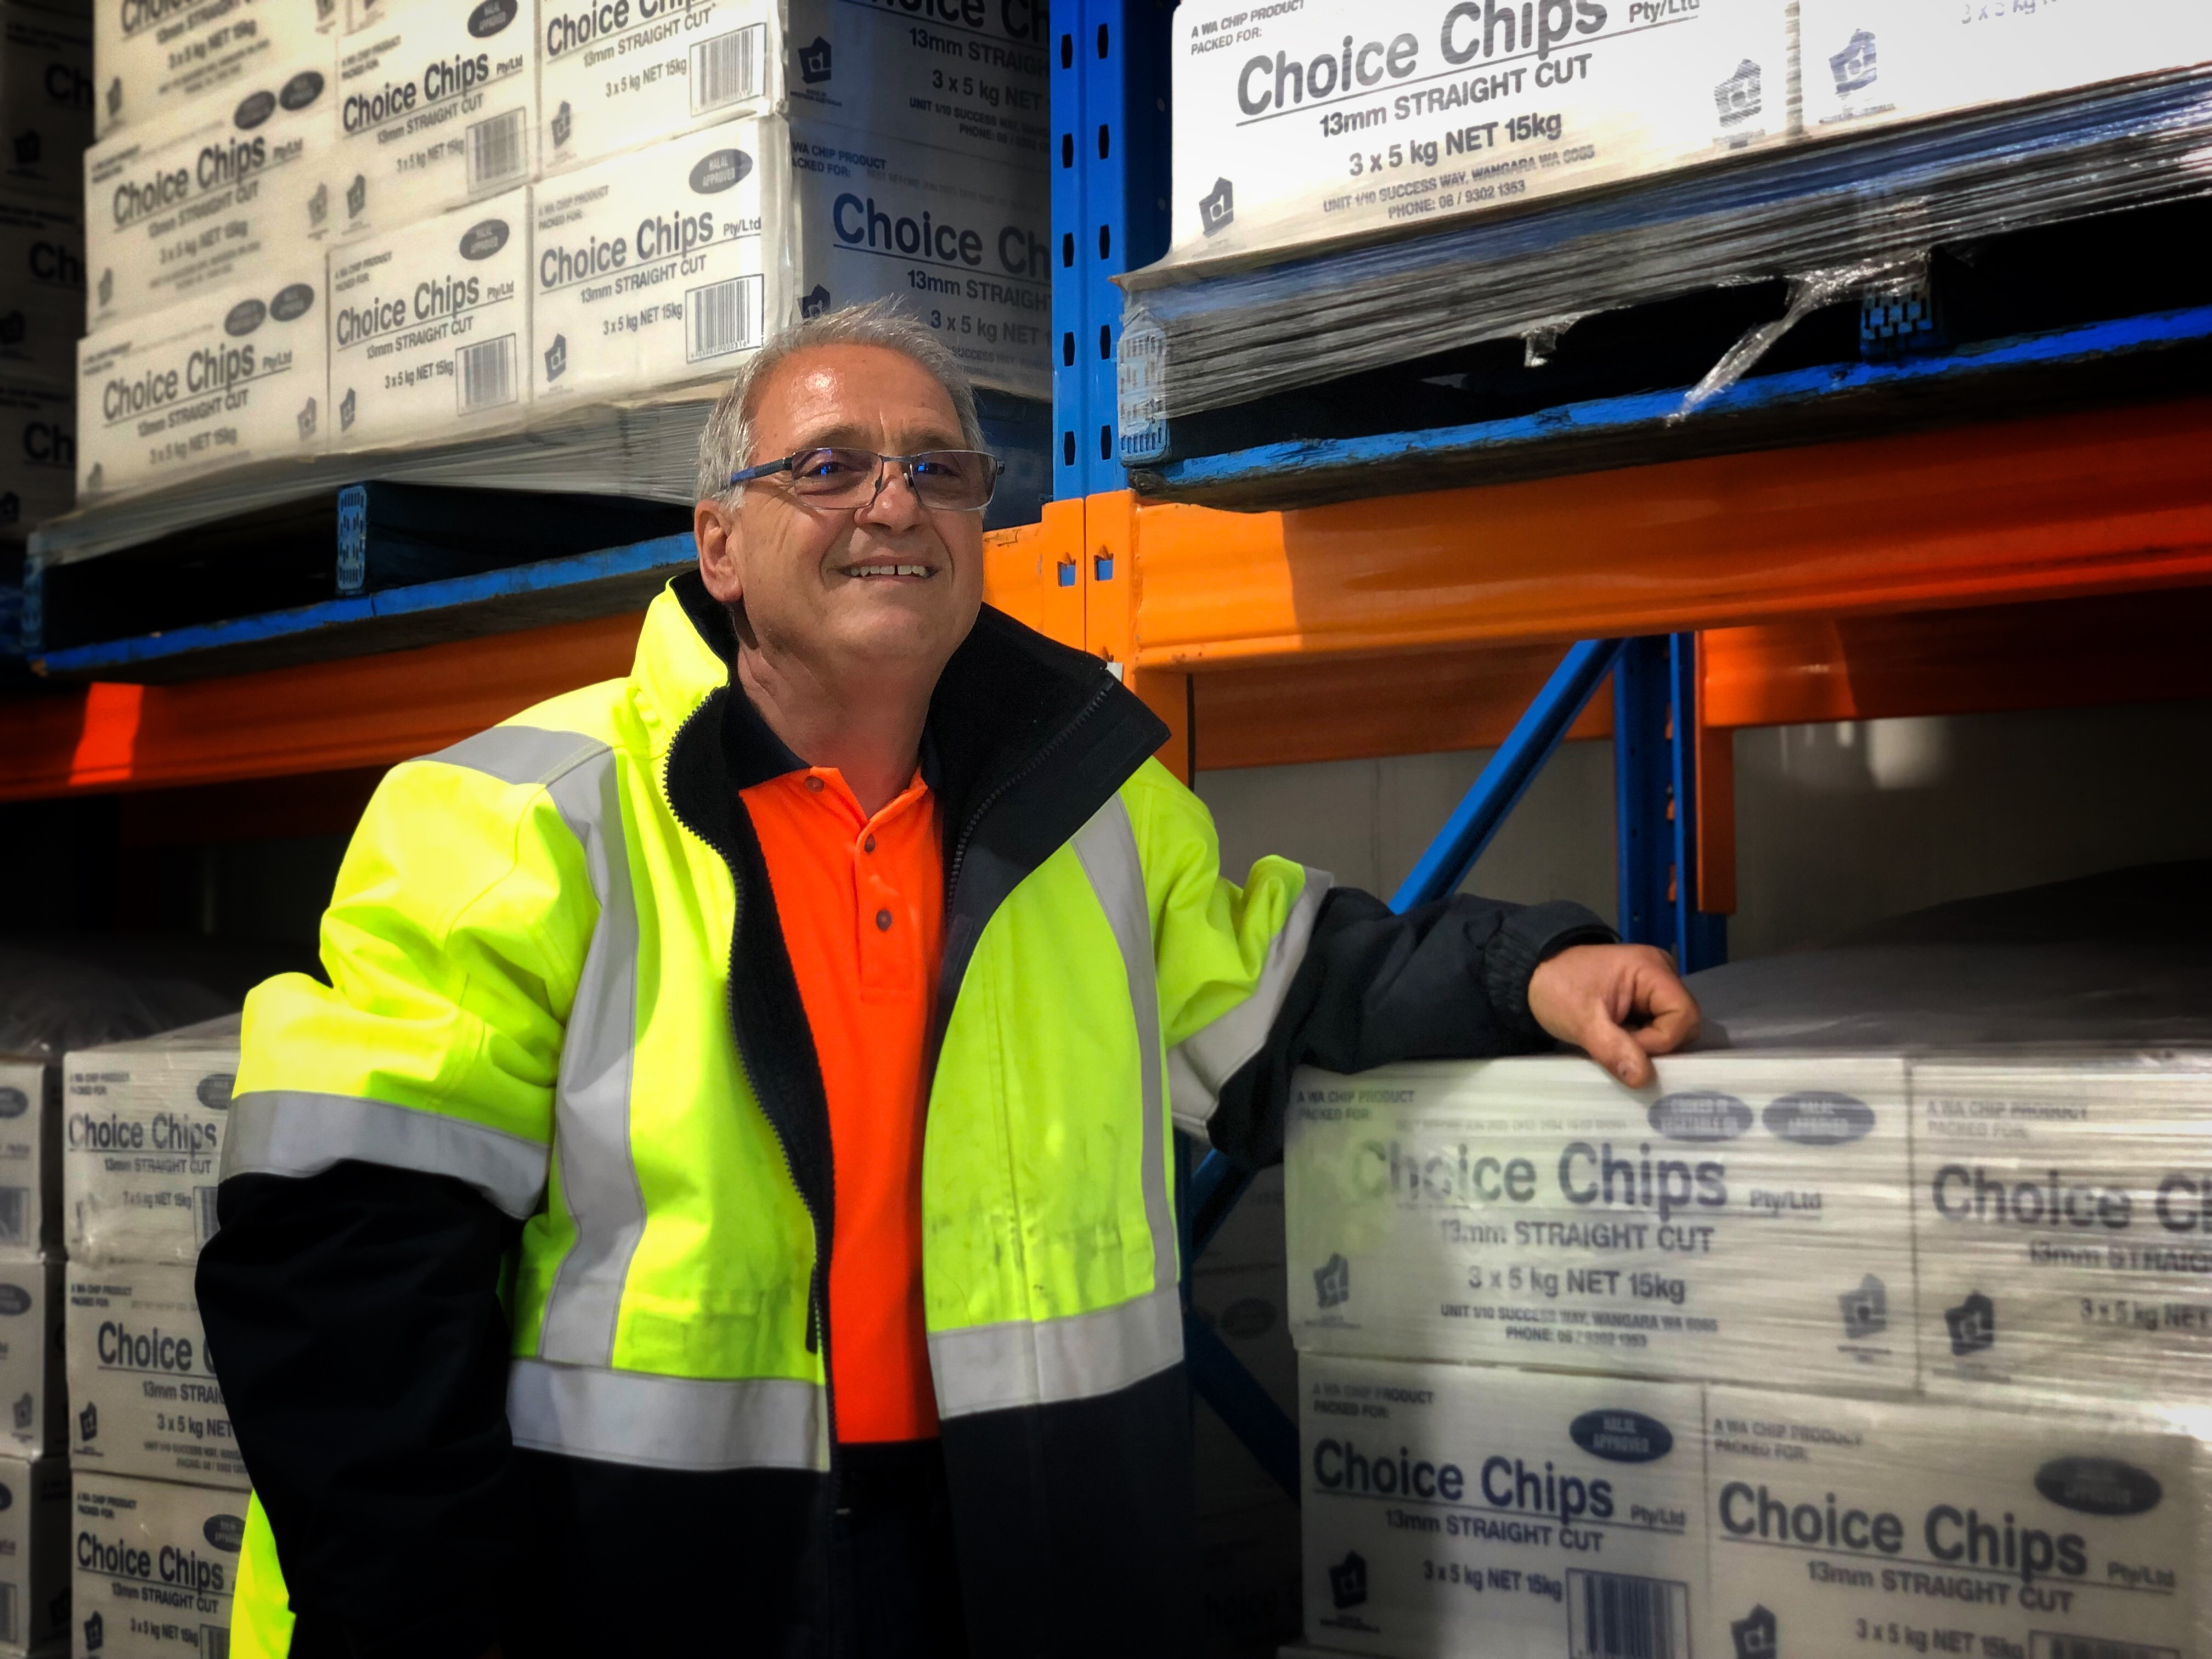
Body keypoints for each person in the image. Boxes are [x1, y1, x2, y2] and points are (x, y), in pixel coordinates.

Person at [196, 298, 1700, 1659]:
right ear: (717, 541)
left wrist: (1534, 973)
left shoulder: (1088, 817)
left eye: (939, 470)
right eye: (829, 465)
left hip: (1018, 1551)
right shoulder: (525, 814)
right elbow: (347, 1272)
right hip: (643, 1577)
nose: (892, 504)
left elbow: (1284, 989)